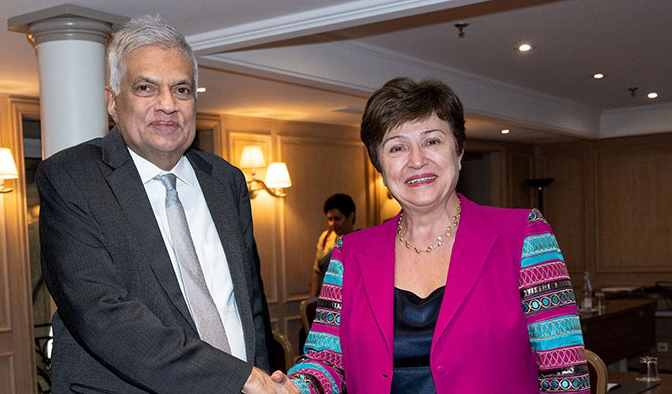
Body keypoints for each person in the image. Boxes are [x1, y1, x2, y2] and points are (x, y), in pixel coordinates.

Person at [37, 15, 296, 393]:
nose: (167, 105)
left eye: (182, 90)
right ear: (112, 101)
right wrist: (239, 379)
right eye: (146, 87)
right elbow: (102, 316)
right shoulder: (71, 179)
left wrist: (260, 375)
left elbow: (250, 305)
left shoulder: (226, 181)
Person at [282, 78, 590, 393]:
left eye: (432, 141)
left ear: (458, 152)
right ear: (381, 167)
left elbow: (564, 374)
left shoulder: (525, 235)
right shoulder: (349, 254)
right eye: (397, 147)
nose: (416, 160)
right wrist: (291, 389)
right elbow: (326, 363)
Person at [309, 193, 356, 297]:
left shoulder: (359, 241)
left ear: (351, 217)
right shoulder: (325, 238)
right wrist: (312, 301)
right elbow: (316, 271)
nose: (332, 224)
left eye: (337, 219)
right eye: (330, 219)